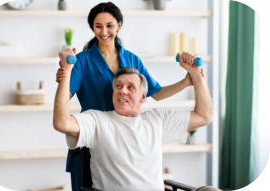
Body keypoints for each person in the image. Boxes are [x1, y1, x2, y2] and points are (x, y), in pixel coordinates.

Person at [56, 2, 199, 190]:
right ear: (92, 27)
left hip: (125, 141)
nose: (104, 31)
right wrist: (65, 74)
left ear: (119, 25)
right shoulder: (83, 61)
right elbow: (63, 99)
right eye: (98, 26)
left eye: (110, 25)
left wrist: (187, 82)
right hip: (92, 137)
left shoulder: (132, 59)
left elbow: (157, 93)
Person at [53, 50, 213, 190]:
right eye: (118, 86)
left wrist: (196, 74)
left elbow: (204, 116)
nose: (122, 91)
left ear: (143, 96)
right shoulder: (97, 121)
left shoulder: (157, 120)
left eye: (130, 87)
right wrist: (66, 73)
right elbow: (62, 123)